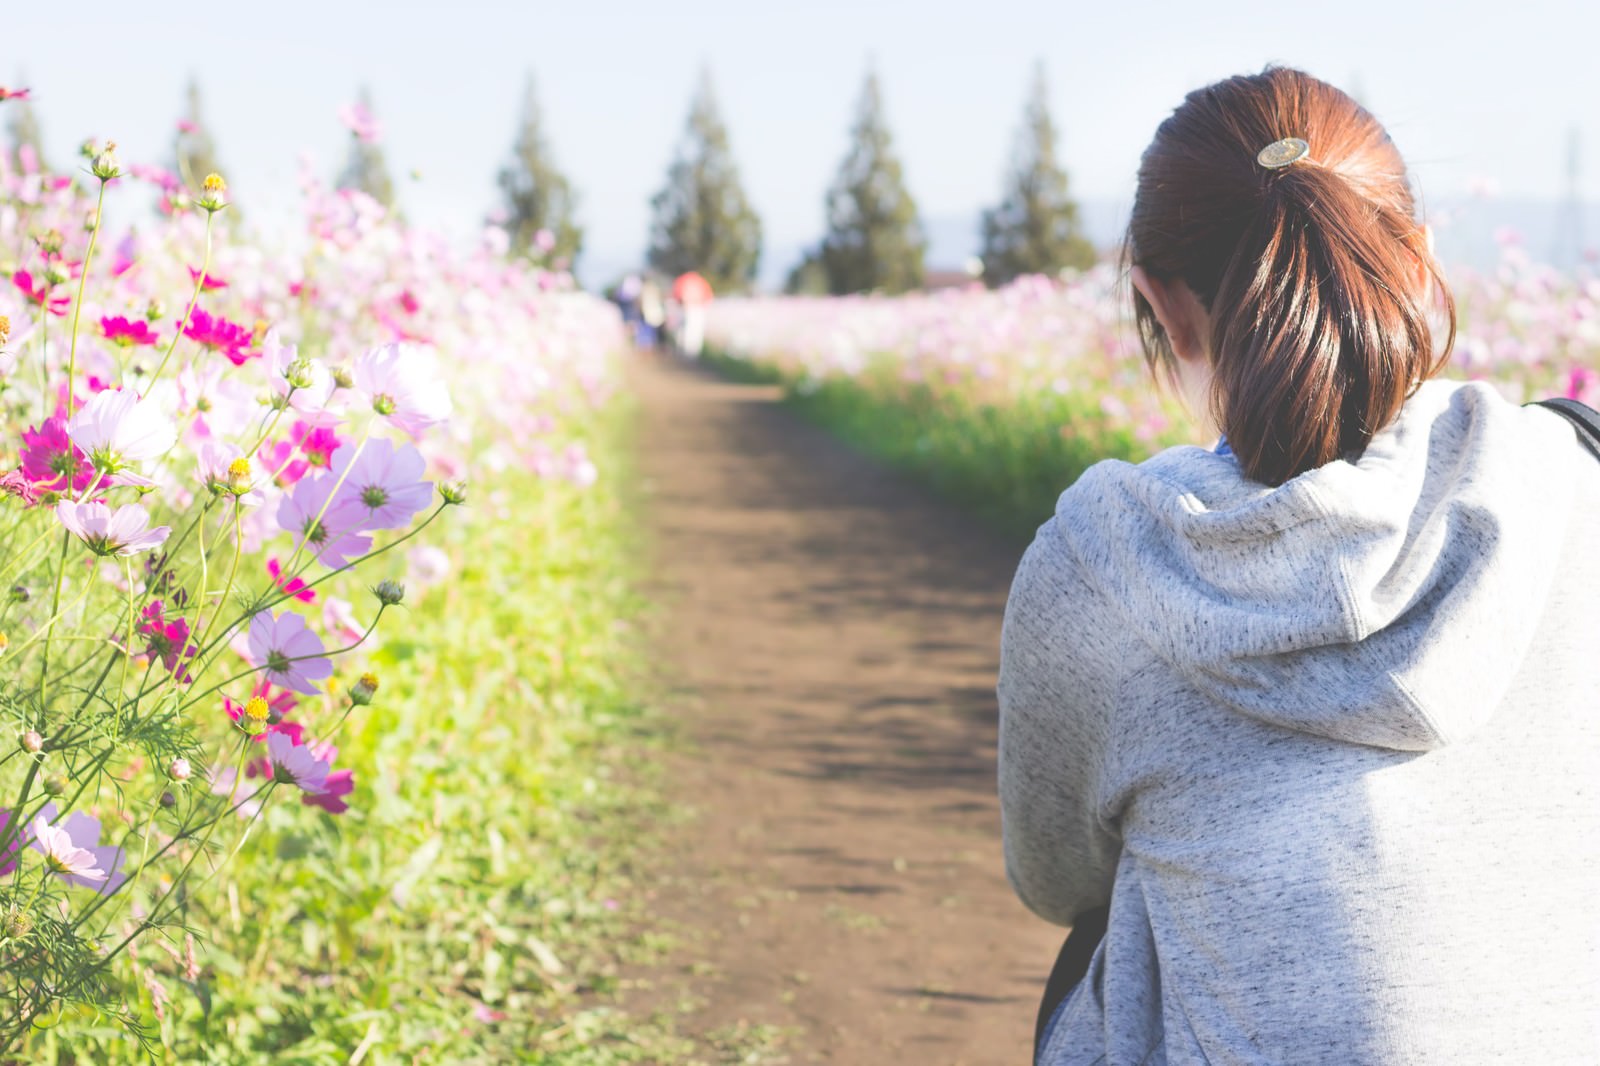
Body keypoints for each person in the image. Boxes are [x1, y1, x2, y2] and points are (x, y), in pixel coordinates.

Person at [998, 66, 1600, 1065]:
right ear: (1417, 256)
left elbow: (1055, 876)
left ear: (1159, 304)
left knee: (1097, 943)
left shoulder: (1098, 561)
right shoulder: (1574, 476)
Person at [671, 270, 714, 356]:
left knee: (686, 330)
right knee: (694, 331)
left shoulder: (683, 280)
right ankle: (691, 352)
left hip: (687, 308)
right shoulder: (701, 281)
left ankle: (685, 351)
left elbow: (676, 294)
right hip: (696, 308)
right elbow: (709, 295)